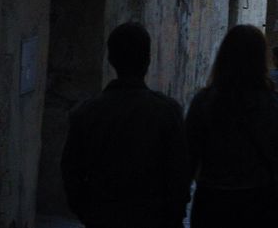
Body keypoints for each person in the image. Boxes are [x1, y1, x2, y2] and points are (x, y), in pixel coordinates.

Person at [61, 22, 189, 228]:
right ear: (148, 60)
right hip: (153, 217)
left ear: (111, 59)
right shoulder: (167, 112)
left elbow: (71, 172)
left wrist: (89, 213)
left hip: (104, 216)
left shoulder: (86, 113)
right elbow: (179, 174)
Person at [185, 25, 278, 227]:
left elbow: (187, 160)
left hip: (213, 203)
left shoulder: (204, 102)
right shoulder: (276, 106)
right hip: (260, 204)